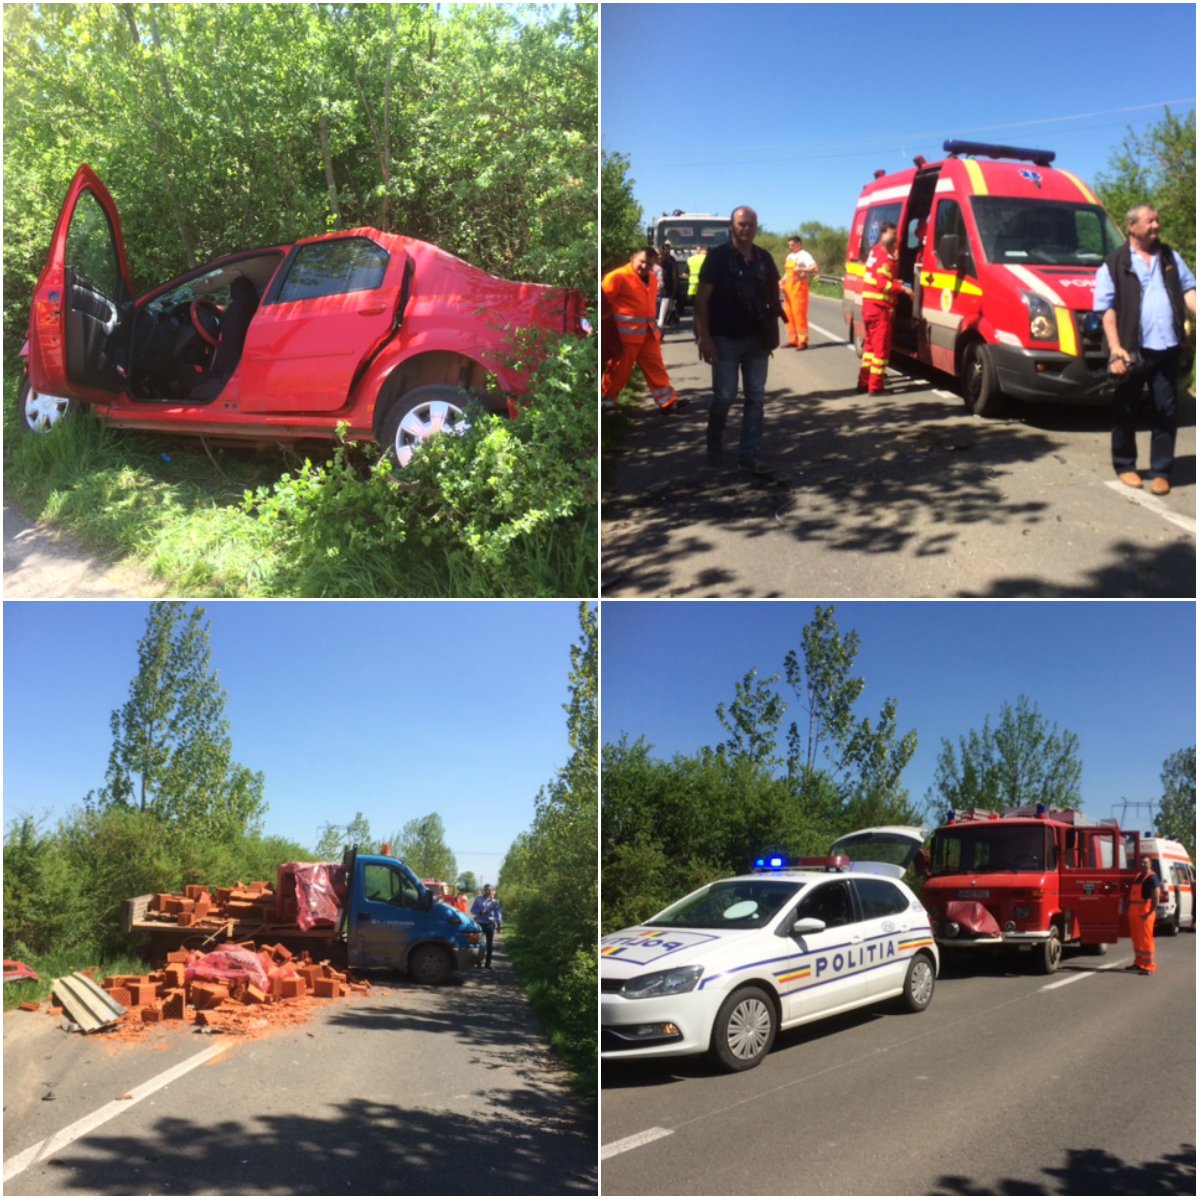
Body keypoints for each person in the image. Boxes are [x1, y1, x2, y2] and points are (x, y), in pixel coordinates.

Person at [1093, 204, 1196, 496]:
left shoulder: (1170, 257)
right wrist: (1115, 349)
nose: (1156, 225)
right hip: (1132, 352)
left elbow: (1189, 289)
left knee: (1167, 409)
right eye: (1150, 221)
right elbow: (1107, 310)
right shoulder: (1113, 264)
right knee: (1126, 408)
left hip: (1168, 347)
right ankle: (1125, 465)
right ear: (1132, 226)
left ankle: (1162, 470)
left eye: (1157, 220)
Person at [695, 206, 782, 474]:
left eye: (751, 224)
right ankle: (714, 444)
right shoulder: (718, 257)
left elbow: (773, 297)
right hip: (724, 340)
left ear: (757, 227)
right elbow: (702, 300)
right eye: (741, 224)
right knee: (724, 396)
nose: (746, 229)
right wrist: (704, 337)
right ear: (732, 227)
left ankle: (749, 455)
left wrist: (770, 334)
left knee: (755, 398)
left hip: (757, 342)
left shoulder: (764, 259)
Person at [601, 247, 680, 412]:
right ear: (633, 258)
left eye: (649, 264)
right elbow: (603, 304)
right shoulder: (617, 277)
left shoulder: (652, 277)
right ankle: (606, 402)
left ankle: (667, 401)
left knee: (656, 367)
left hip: (648, 333)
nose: (644, 266)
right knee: (619, 370)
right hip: (625, 336)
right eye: (642, 262)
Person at [857, 221, 912, 394]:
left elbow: (879, 279)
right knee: (881, 352)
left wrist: (895, 281)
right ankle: (875, 387)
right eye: (894, 237)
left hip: (868, 307)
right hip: (879, 309)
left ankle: (863, 383)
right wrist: (903, 288)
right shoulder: (885, 259)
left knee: (870, 350)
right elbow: (883, 285)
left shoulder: (874, 252)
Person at [1126, 855, 1164, 975]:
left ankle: (1149, 966)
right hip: (1135, 915)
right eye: (1141, 862)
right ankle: (1139, 963)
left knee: (1146, 940)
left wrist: (1150, 912)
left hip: (1145, 915)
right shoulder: (1138, 876)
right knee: (1137, 940)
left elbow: (1156, 897)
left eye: (1145, 862)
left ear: (1150, 863)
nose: (1143, 864)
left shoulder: (1152, 878)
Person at [780, 235, 818, 349]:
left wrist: (801, 269)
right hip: (788, 289)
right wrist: (781, 282)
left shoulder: (804, 255)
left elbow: (815, 268)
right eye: (789, 245)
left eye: (792, 244)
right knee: (788, 314)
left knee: (799, 314)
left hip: (799, 289)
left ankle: (802, 341)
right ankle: (793, 339)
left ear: (799, 243)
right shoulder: (790, 256)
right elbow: (788, 273)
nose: (790, 247)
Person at [470, 884, 503, 969]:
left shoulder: (495, 902)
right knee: (479, 944)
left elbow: (498, 913)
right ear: (484, 890)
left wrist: (499, 924)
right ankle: (478, 962)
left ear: (492, 890)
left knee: (489, 945)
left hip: (489, 924)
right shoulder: (478, 899)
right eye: (486, 889)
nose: (488, 891)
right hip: (480, 923)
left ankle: (488, 964)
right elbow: (472, 910)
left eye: (489, 889)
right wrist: (480, 912)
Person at [658, 241, 680, 329]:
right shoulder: (659, 260)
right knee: (665, 302)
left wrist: (675, 287)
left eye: (668, 248)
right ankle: (661, 321)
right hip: (662, 285)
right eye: (665, 248)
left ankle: (662, 321)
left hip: (667, 286)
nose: (667, 250)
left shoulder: (671, 260)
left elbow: (674, 274)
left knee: (667, 301)